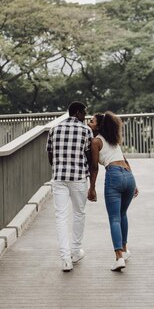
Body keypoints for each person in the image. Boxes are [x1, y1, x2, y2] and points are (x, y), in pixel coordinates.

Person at [88, 111, 138, 271]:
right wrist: (134, 184)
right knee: (122, 214)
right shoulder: (113, 140)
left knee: (114, 218)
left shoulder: (96, 142)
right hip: (128, 176)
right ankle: (125, 249)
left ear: (98, 126)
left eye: (92, 121)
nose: (89, 123)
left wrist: (92, 188)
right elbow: (125, 159)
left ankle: (119, 258)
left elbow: (94, 167)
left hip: (114, 175)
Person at [46, 101, 93, 272]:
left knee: (61, 216)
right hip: (78, 177)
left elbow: (50, 155)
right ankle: (75, 251)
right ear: (78, 113)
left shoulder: (54, 129)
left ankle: (65, 259)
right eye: (84, 113)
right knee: (79, 213)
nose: (85, 117)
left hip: (59, 178)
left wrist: (60, 165)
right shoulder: (85, 130)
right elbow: (89, 156)